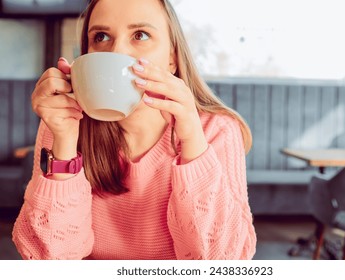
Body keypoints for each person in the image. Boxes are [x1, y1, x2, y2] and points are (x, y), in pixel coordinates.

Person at [12, 0, 256, 260]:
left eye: (140, 35)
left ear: (172, 58)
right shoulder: (65, 124)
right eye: (101, 37)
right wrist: (64, 144)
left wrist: (193, 145)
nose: (117, 52)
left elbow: (224, 262)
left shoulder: (216, 131)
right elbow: (47, 259)